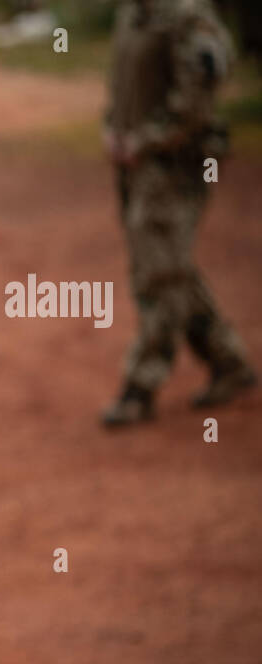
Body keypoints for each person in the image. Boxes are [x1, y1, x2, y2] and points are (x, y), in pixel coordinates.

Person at [99, 0, 256, 426]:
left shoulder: (188, 17)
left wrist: (146, 140)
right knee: (167, 265)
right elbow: (125, 85)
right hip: (135, 164)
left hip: (176, 166)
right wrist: (112, 127)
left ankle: (141, 385)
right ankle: (228, 361)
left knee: (159, 272)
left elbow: (197, 100)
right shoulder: (134, 12)